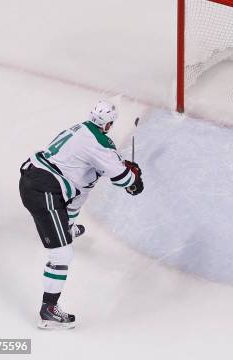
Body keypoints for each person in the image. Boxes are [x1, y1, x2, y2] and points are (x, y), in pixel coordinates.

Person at [19, 100, 143, 329]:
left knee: (68, 210)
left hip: (37, 179)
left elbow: (79, 196)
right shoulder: (100, 145)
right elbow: (123, 177)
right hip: (42, 190)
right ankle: (48, 311)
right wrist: (134, 180)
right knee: (62, 256)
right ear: (109, 125)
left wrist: (70, 223)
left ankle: (66, 228)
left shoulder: (80, 133)